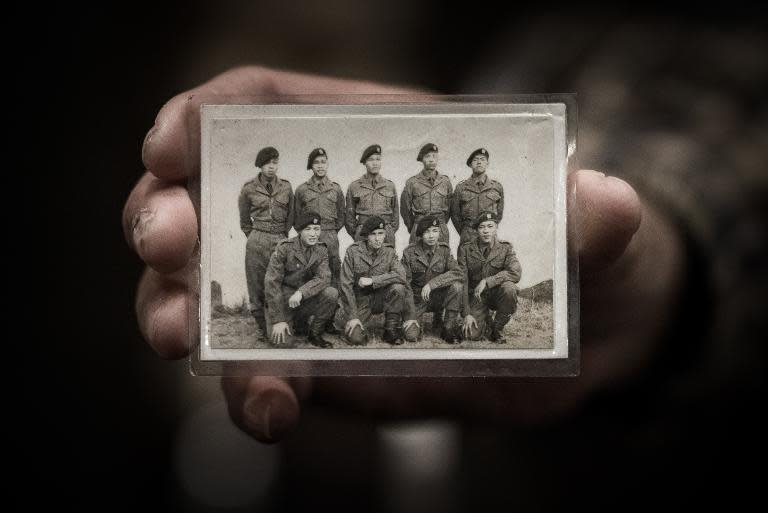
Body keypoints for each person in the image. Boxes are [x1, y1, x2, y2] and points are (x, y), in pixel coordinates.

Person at [126, 66, 687, 443]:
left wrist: (458, 252)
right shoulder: (322, 206)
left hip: (454, 250)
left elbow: (426, 226)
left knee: (430, 290)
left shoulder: (461, 204)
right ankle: (284, 327)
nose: (318, 171)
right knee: (275, 297)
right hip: (277, 242)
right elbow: (332, 225)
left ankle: (454, 324)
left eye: (480, 164)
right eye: (355, 164)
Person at [237, 146, 294, 336]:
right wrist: (255, 236)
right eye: (267, 163)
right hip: (257, 239)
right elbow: (244, 220)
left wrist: (283, 236)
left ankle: (281, 320)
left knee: (280, 281)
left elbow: (291, 215)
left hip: (280, 238)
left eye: (275, 163)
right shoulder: (248, 189)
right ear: (260, 166)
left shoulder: (286, 186)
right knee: (257, 284)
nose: (271, 167)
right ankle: (263, 327)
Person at [336, 215, 417, 345]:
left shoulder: (389, 252)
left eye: (381, 233)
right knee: (356, 338)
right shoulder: (353, 252)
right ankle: (350, 322)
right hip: (361, 300)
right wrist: (353, 317)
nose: (378, 238)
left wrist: (373, 280)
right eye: (373, 234)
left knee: (398, 288)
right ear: (366, 236)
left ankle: (390, 330)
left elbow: (401, 275)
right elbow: (345, 285)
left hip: (381, 298)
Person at [263, 212, 338, 349]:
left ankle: (314, 333)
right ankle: (290, 322)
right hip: (283, 302)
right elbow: (271, 283)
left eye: (316, 229)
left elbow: (324, 278)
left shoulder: (321, 249)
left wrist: (301, 292)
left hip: (303, 298)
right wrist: (278, 320)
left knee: (331, 293)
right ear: (299, 231)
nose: (313, 234)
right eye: (308, 229)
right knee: (284, 344)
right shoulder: (285, 248)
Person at [457, 211, 522, 342]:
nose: (486, 231)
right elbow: (462, 280)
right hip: (477, 297)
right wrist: (467, 313)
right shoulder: (466, 249)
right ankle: (485, 318)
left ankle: (496, 329)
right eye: (481, 227)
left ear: (496, 227)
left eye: (490, 226)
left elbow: (515, 272)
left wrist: (487, 281)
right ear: (476, 230)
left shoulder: (505, 248)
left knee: (510, 288)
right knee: (470, 335)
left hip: (497, 294)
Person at [401, 215, 463, 343]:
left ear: (440, 233)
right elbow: (405, 284)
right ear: (420, 234)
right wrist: (411, 315)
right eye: (427, 232)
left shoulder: (444, 250)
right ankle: (417, 323)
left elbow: (458, 272)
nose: (431, 236)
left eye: (435, 231)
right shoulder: (409, 252)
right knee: (411, 336)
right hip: (418, 299)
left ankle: (448, 328)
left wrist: (432, 284)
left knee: (457, 286)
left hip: (439, 297)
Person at [293, 148, 346, 289]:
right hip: (309, 236)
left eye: (323, 162)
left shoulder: (336, 189)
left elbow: (341, 216)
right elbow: (296, 217)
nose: (320, 166)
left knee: (334, 267)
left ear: (327, 164)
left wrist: (331, 231)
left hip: (330, 235)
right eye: (316, 163)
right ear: (311, 166)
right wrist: (307, 233)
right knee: (308, 268)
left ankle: (334, 304)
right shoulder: (302, 190)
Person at [345, 144, 399, 248]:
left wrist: (389, 231)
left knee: (387, 262)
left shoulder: (389, 185)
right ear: (365, 163)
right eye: (370, 160)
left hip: (385, 232)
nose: (375, 163)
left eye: (378, 159)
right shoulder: (355, 186)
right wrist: (358, 232)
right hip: (363, 232)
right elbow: (349, 216)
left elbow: (395, 214)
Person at [400, 143, 453, 244]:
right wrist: (415, 226)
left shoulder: (445, 182)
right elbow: (405, 210)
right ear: (422, 159)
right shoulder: (412, 182)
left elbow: (450, 208)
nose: (431, 159)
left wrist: (440, 223)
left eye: (434, 156)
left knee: (441, 257)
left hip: (440, 229)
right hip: (419, 227)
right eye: (427, 156)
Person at [450, 148, 504, 245]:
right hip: (468, 236)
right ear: (470, 164)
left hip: (490, 236)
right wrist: (465, 231)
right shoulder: (461, 188)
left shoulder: (496, 187)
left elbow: (499, 214)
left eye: (482, 159)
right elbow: (455, 215)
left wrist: (489, 227)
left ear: (487, 163)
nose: (479, 162)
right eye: (475, 160)